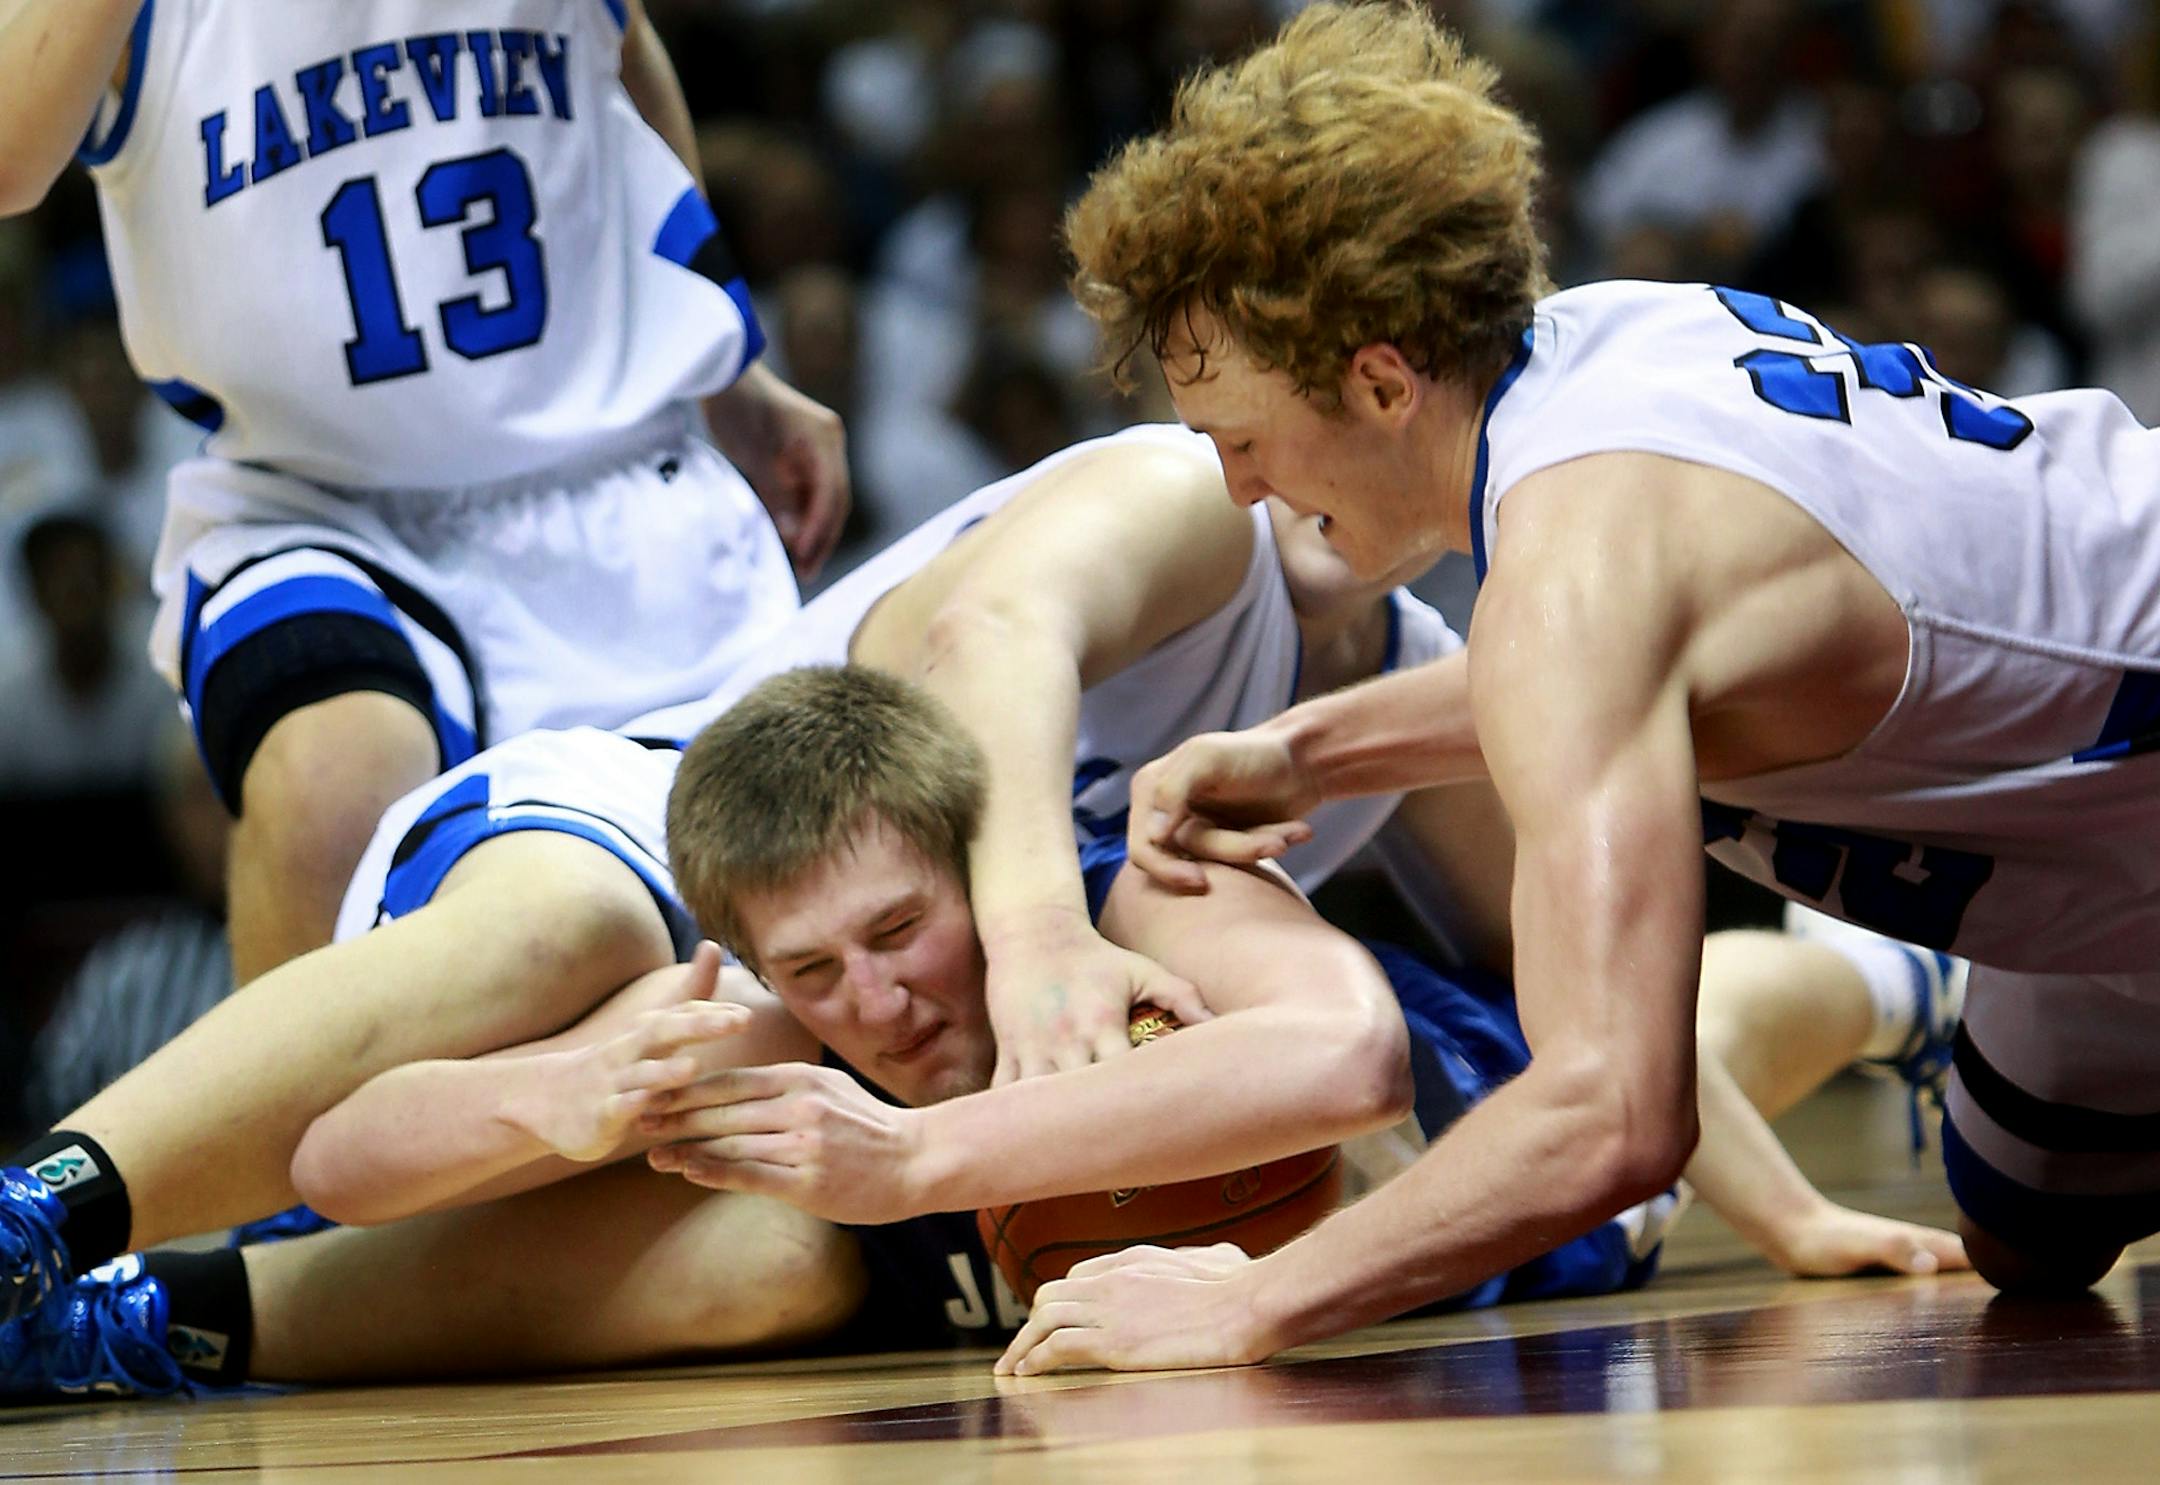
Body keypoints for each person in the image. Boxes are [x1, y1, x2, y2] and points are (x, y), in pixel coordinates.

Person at [1000, 0, 2160, 1375]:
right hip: (2097, 841)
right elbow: (1665, 669)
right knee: (2022, 1240)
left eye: (1243, 437)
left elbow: (1613, 1115)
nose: (1242, 487)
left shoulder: (1571, 579)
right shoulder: (1600, 345)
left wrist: (1246, 1302)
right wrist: (1316, 750)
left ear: (1379, 382)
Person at [3, 665, 1963, 1398]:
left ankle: (1911, 976)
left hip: (1486, 1146)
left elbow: (1349, 1063)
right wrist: (549, 1092)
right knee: (743, 1240)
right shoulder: (783, 1007)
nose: (882, 1001)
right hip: (1010, 1265)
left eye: (901, 932)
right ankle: (137, 1316)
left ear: (982, 863)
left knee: (1728, 1014)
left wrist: (923, 1152)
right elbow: (337, 1167)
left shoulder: (1138, 880)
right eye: (818, 965)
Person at [0, 0, 854, 1324]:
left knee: (736, 999)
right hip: (317, 501)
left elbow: (623, 60)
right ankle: (232, 1252)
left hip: (617, 472)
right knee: (333, 773)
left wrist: (727, 362)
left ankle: (310, 1288)